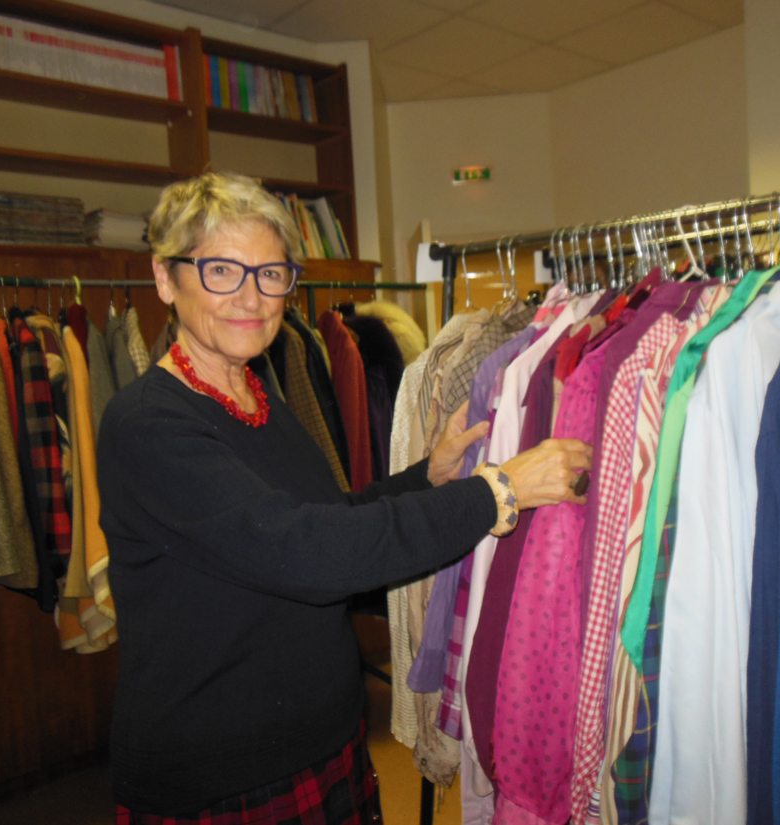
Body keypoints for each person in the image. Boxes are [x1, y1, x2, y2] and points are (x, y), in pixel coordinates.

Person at [97, 172, 592, 823]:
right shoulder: (148, 424)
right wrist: (497, 491)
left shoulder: (256, 391)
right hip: (225, 774)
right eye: (221, 270)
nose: (251, 297)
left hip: (322, 742)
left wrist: (428, 475)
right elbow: (309, 553)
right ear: (166, 278)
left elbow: (324, 517)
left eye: (271, 274)